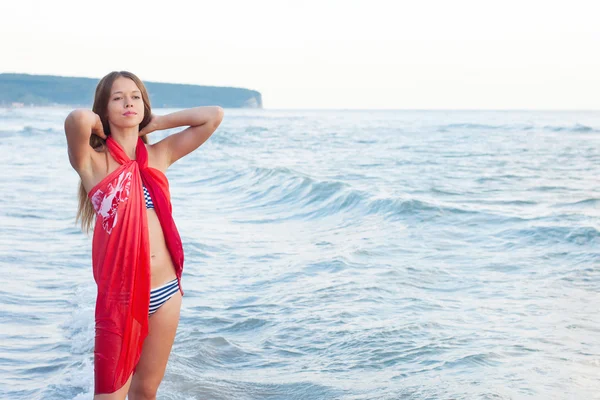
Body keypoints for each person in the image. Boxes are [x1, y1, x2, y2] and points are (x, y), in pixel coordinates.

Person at [64, 71, 224, 399]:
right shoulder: (93, 163)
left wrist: (156, 122)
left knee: (146, 391)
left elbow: (213, 116)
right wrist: (102, 129)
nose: (128, 103)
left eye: (135, 97)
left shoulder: (158, 156)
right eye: (118, 97)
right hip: (120, 299)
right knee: (109, 396)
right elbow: (77, 119)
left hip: (167, 292)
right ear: (104, 109)